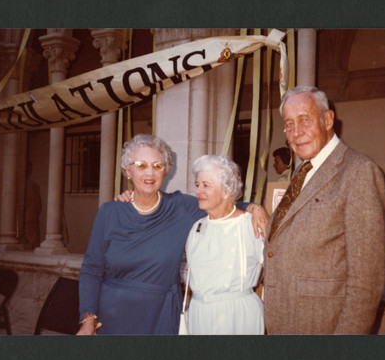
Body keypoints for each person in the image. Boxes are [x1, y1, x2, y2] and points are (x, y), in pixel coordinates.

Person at [77, 134, 268, 335]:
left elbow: (222, 203)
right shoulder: (109, 212)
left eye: (157, 166)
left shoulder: (180, 208)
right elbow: (91, 268)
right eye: (141, 165)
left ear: (166, 171)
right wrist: (89, 318)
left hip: (161, 316)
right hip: (114, 317)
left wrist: (255, 208)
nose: (150, 173)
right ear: (128, 171)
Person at [263, 86, 385, 334]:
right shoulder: (302, 171)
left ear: (328, 119)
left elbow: (366, 283)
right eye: (289, 124)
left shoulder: (358, 171)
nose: (296, 133)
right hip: (285, 322)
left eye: (304, 120)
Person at [185, 155, 264, 335]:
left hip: (237, 317)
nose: (198, 191)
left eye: (206, 185)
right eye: (198, 185)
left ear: (227, 190)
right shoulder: (197, 227)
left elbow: (276, 274)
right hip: (200, 314)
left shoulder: (251, 225)